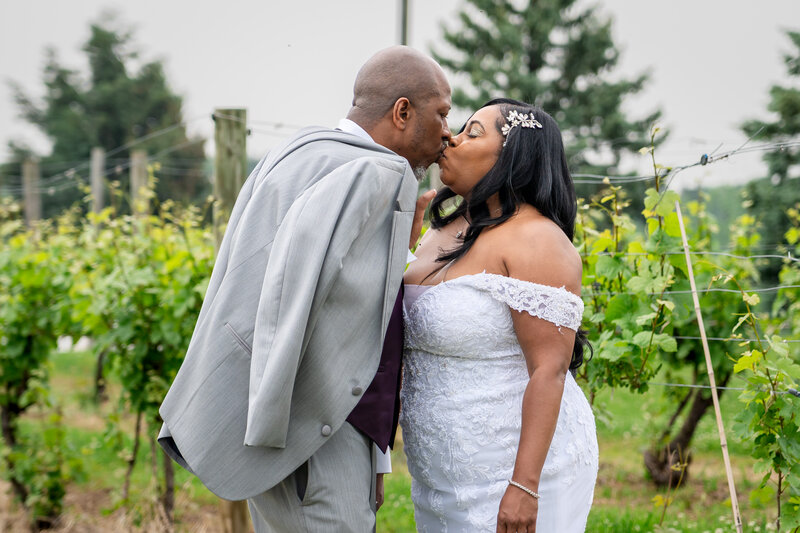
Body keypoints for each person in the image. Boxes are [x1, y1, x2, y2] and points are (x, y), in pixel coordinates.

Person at [157, 46, 451, 532]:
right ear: (402, 112)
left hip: (261, 420)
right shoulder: (379, 172)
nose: (447, 132)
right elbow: (352, 326)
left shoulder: (294, 155)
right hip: (314, 437)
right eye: (441, 113)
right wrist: (345, 445)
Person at [400, 98, 599, 532]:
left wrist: (524, 486)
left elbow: (550, 368)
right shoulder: (441, 230)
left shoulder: (537, 240)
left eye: (473, 132)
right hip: (443, 472)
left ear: (514, 159)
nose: (451, 137)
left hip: (515, 469)